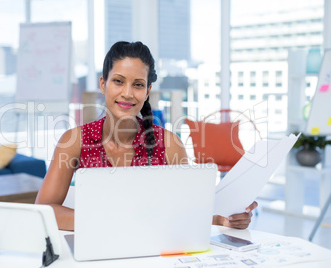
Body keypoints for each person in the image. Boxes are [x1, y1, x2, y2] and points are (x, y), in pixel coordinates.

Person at [35, 41, 257, 231]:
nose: (128, 93)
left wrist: (223, 219)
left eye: (138, 85)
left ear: (148, 91)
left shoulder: (169, 145)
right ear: (103, 84)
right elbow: (44, 211)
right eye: (118, 81)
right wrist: (111, 221)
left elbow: (188, 211)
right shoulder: (73, 142)